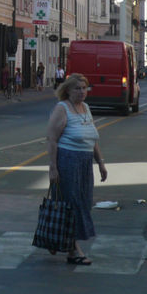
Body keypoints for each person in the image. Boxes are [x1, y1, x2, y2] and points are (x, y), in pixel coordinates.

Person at [46, 73, 107, 265]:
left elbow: (92, 139)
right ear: (68, 91)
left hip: (84, 163)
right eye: (77, 88)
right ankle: (74, 250)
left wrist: (101, 163)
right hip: (68, 161)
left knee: (84, 203)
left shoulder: (86, 108)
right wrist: (53, 168)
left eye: (84, 88)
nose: (81, 92)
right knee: (72, 205)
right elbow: (52, 139)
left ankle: (57, 239)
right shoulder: (62, 108)